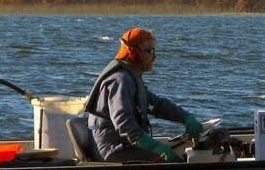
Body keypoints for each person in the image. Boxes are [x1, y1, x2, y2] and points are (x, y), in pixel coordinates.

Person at [85, 27, 203, 162]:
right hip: (112, 149)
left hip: (122, 145)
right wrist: (154, 146)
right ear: (133, 52)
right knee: (175, 162)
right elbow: (123, 123)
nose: (154, 56)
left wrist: (186, 118)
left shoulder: (130, 77)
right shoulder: (121, 80)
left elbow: (157, 105)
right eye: (150, 51)